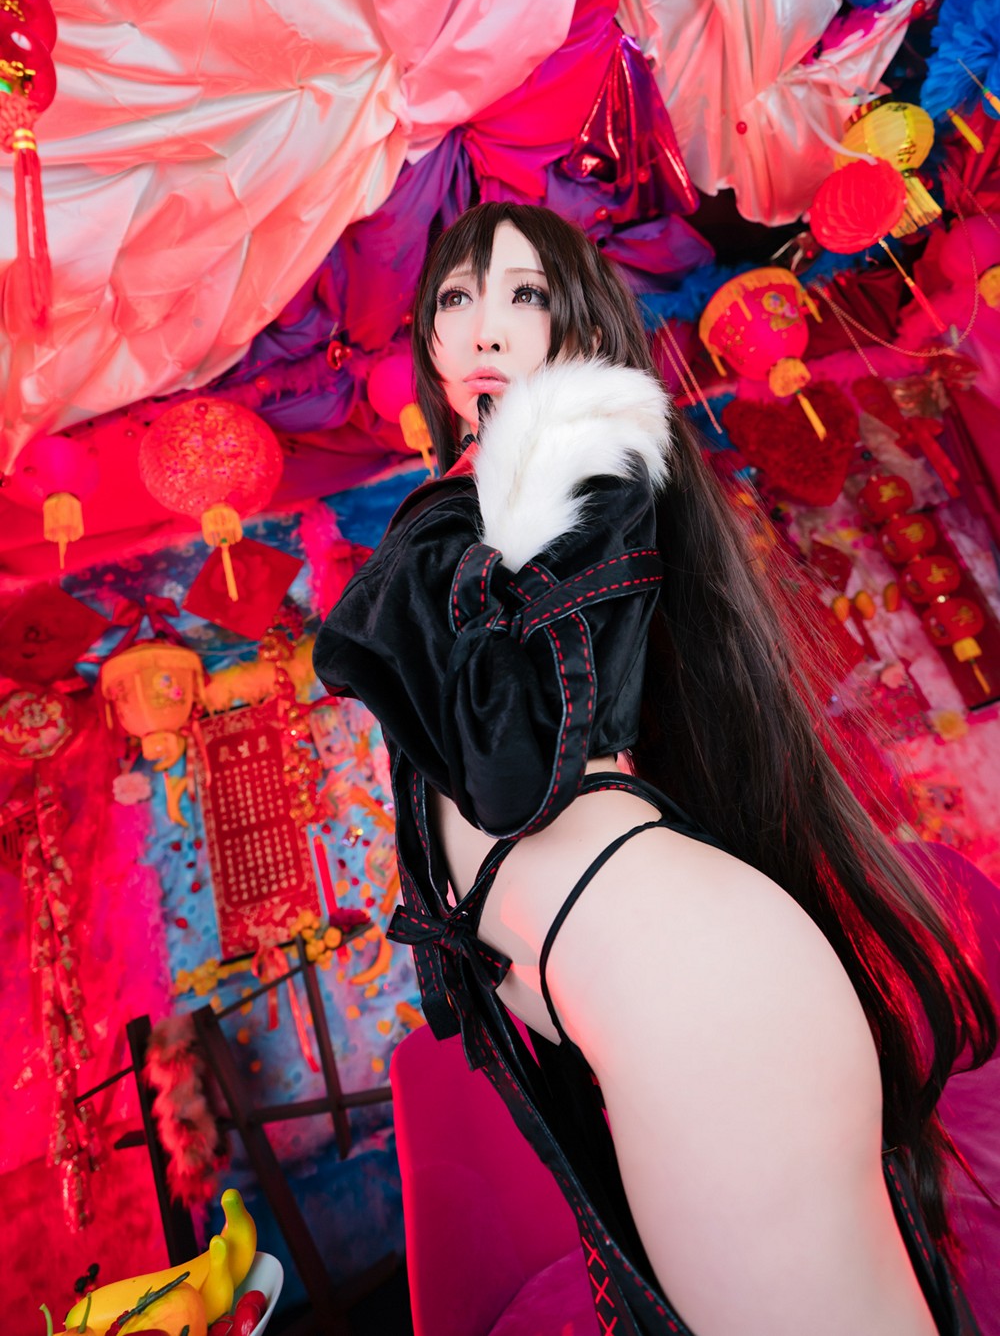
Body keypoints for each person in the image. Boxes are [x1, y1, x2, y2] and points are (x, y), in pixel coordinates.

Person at [313, 203, 996, 1336]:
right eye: (456, 298)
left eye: (525, 294)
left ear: (580, 328)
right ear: (428, 342)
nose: (485, 326)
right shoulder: (501, 505)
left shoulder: (569, 477)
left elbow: (510, 768)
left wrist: (444, 553)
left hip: (703, 995)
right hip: (673, 988)